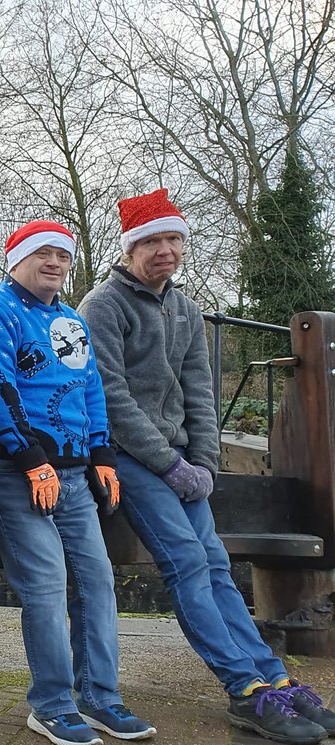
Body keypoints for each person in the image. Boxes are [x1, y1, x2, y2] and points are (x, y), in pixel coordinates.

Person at [78, 188, 335, 745]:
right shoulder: (103, 306)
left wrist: (205, 461)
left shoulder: (186, 308)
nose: (164, 249)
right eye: (150, 241)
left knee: (217, 564)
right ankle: (244, 688)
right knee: (189, 564)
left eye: (173, 238)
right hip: (131, 457)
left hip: (183, 462)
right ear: (128, 249)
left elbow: (200, 387)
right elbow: (110, 397)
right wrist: (169, 464)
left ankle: (274, 678)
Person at [0, 220, 156, 745]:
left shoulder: (73, 320)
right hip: (12, 470)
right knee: (46, 585)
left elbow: (90, 389)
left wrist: (102, 455)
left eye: (63, 256)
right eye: (43, 254)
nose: (54, 263)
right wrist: (30, 457)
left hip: (75, 474)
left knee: (96, 580)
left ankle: (100, 696)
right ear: (18, 259)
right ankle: (51, 703)